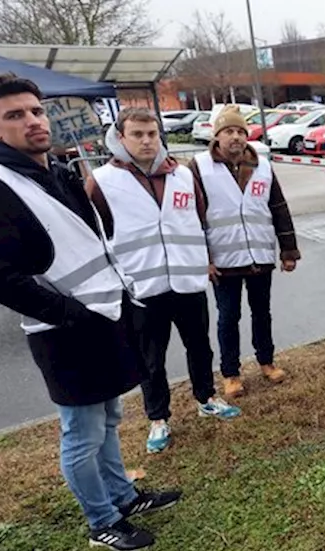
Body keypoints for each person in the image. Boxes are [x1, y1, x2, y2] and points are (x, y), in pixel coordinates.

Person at [0, 72, 179, 551]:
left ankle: (122, 496)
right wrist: (69, 314)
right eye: (14, 115)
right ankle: (102, 520)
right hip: (64, 331)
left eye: (36, 110)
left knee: (110, 417)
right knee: (81, 432)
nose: (33, 121)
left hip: (103, 316)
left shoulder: (54, 170)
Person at [87, 107, 240, 455]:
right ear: (120, 138)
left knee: (199, 345)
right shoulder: (102, 182)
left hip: (187, 282)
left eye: (152, 134)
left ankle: (206, 397)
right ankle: (158, 417)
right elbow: (97, 236)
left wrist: (206, 262)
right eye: (137, 135)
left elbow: (199, 220)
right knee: (150, 359)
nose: (146, 141)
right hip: (143, 288)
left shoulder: (183, 175)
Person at [188, 107, 299, 399]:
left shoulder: (262, 165)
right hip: (224, 260)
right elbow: (191, 217)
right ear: (217, 136)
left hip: (259, 256)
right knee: (228, 317)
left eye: (240, 132)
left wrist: (288, 250)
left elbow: (278, 208)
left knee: (262, 313)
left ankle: (266, 361)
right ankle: (231, 373)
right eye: (228, 132)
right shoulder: (199, 167)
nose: (235, 137)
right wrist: (204, 259)